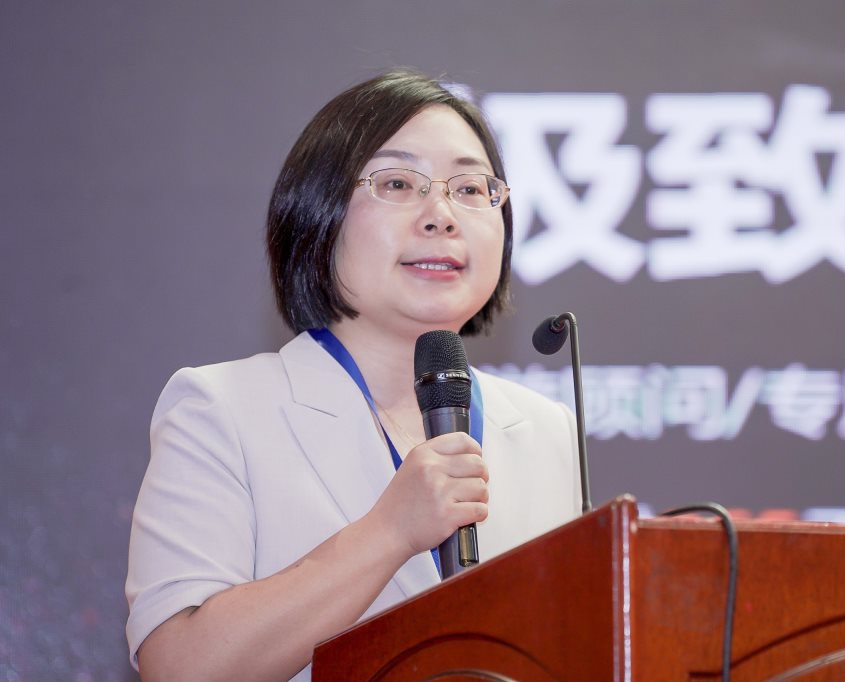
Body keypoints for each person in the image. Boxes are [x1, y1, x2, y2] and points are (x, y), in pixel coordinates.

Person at [125, 69, 581, 681]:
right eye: (397, 183)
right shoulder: (221, 409)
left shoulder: (548, 430)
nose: (442, 215)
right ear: (319, 215)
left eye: (471, 188)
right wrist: (389, 532)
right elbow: (180, 667)